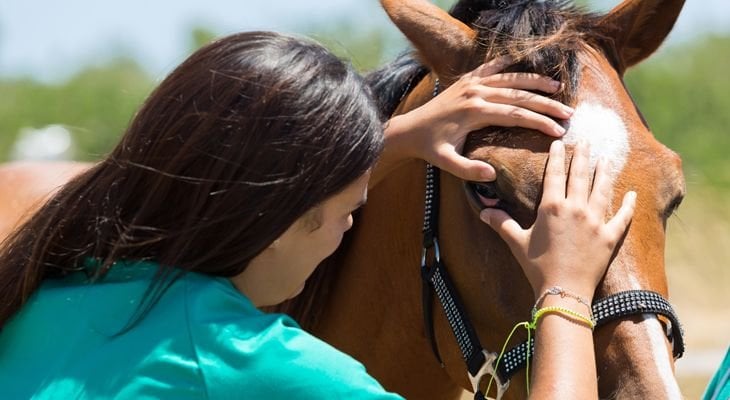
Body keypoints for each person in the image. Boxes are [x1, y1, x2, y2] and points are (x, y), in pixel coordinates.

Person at [0, 31, 634, 399]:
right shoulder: (251, 360)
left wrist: (393, 137)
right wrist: (565, 291)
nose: (352, 227)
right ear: (276, 219)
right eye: (348, 208)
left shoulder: (51, 289)